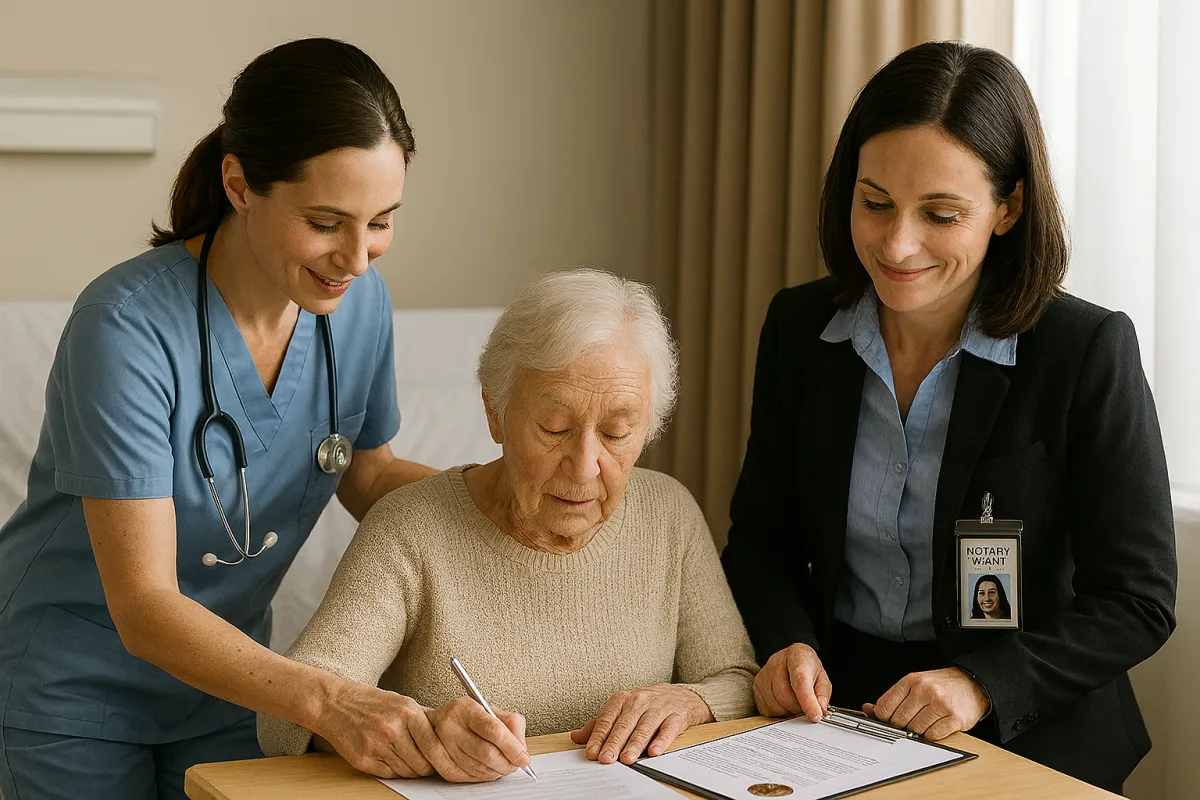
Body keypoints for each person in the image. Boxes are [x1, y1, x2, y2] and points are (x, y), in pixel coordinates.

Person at [721, 40, 1176, 794]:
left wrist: (981, 682)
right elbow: (761, 541)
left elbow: (1136, 599)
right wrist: (786, 644)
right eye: (875, 203)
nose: (898, 245)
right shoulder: (800, 330)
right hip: (837, 716)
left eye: (941, 214)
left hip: (1028, 728)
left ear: (1009, 207)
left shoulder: (1084, 350)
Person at [0, 38, 443, 800]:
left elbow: (367, 472)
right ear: (239, 184)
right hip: (71, 690)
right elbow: (143, 607)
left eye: (380, 222)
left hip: (233, 685)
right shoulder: (126, 327)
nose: (357, 259)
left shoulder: (359, 303)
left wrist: (499, 498)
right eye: (327, 221)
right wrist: (331, 701)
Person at [258, 268, 758, 782]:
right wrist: (422, 733)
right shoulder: (409, 528)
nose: (585, 467)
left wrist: (689, 699)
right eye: (554, 428)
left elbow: (738, 678)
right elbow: (283, 715)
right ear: (494, 412)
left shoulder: (668, 514)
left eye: (616, 433)